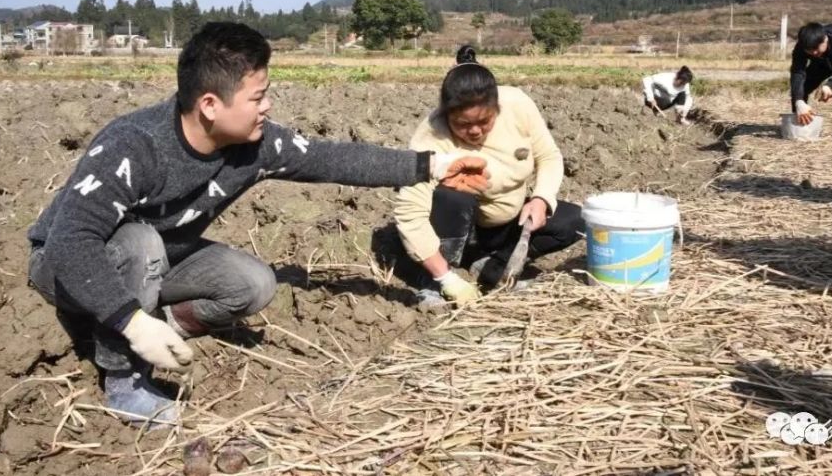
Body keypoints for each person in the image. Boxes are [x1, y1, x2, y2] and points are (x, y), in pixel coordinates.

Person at [26, 23, 488, 427]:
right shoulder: (135, 146)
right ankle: (124, 377)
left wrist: (431, 166)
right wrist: (131, 322)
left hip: (159, 260)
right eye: (257, 96)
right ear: (210, 104)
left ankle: (157, 324)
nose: (267, 106)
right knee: (141, 241)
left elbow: (332, 158)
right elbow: (70, 241)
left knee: (252, 284)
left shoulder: (255, 144)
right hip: (67, 267)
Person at [393, 46, 585, 307]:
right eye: (462, 124)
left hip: (509, 223)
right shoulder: (430, 136)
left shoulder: (517, 105)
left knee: (576, 220)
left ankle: (491, 267)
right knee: (454, 195)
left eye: (484, 121)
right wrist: (445, 277)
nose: (474, 131)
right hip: (462, 229)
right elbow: (410, 214)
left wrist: (540, 199)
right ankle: (433, 280)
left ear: (497, 107)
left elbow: (548, 156)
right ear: (446, 113)